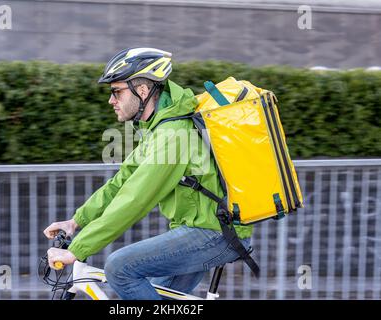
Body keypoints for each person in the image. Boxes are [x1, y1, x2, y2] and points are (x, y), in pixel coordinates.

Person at [43, 47, 254, 300]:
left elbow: (135, 198)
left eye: (116, 91)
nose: (111, 100)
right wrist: (76, 221)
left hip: (212, 235)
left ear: (142, 91)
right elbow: (121, 182)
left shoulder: (174, 134)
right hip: (199, 231)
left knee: (119, 267)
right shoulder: (160, 128)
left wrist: (77, 249)